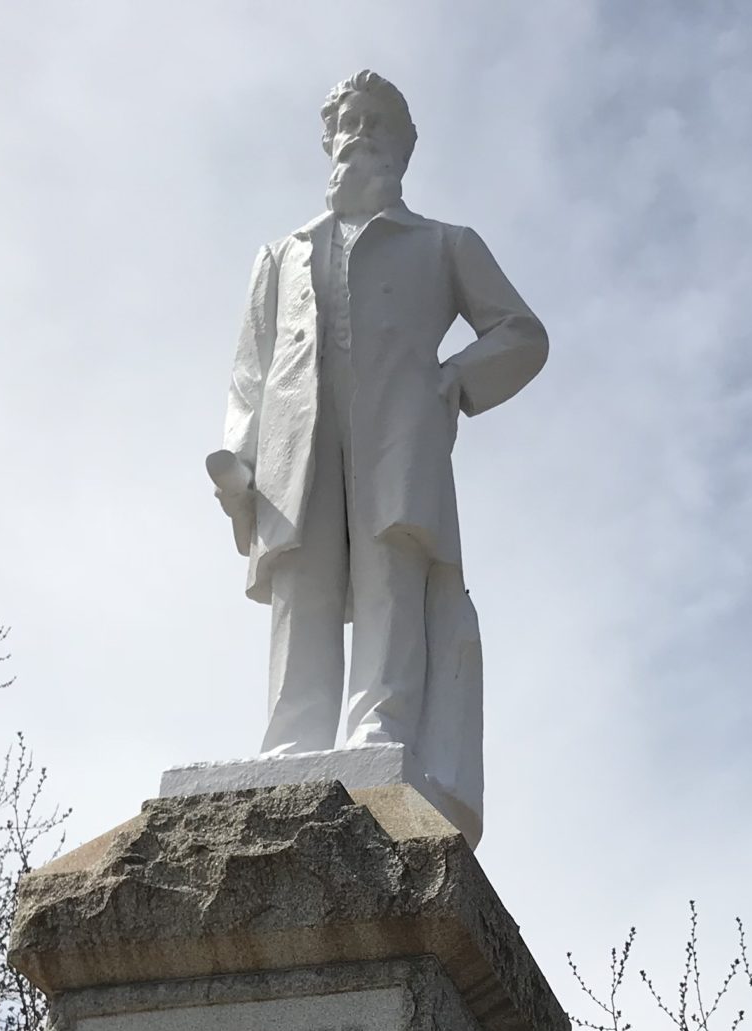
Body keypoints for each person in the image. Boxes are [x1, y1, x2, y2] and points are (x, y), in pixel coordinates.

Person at [208, 69, 548, 843]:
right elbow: (250, 371)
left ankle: (378, 725)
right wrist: (240, 456)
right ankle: (292, 733)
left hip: (400, 429)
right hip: (298, 436)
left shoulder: (442, 244)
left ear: (400, 146)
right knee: (304, 575)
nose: (359, 134)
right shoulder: (282, 255)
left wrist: (454, 381)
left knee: (393, 565)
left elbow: (521, 334)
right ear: (328, 141)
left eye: (376, 123)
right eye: (348, 121)